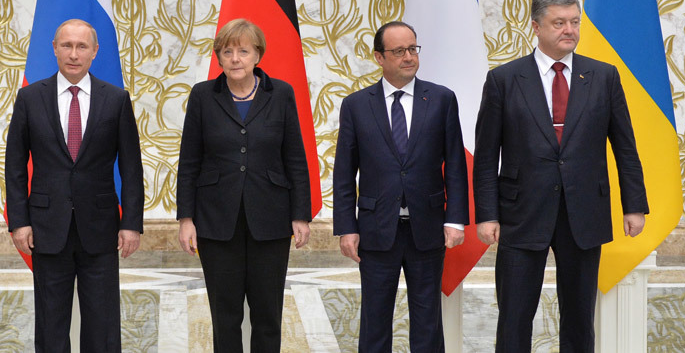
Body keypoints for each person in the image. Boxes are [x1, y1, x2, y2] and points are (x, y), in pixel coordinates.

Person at [473, 0, 649, 353]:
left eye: (574, 22)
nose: (569, 30)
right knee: (514, 317)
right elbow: (487, 155)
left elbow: (625, 146)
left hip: (584, 213)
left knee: (580, 318)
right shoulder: (504, 80)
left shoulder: (604, 76)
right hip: (521, 214)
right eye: (559, 23)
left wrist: (634, 205)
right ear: (536, 27)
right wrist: (487, 214)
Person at [4, 18, 144, 352]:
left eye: (82, 46)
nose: (73, 53)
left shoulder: (116, 99)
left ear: (95, 52)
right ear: (54, 48)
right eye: (66, 45)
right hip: (46, 228)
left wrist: (131, 224)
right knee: (51, 324)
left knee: (102, 325)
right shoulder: (28, 98)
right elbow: (15, 166)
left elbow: (131, 166)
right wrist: (19, 221)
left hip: (100, 228)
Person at [176, 18, 311, 353]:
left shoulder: (280, 93)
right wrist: (186, 219)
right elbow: (189, 161)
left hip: (272, 218)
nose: (235, 58)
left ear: (257, 55)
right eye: (227, 51)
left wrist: (300, 215)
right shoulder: (203, 95)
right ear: (219, 57)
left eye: (243, 51)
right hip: (215, 220)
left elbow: (295, 156)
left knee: (268, 314)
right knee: (225, 314)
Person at [333, 21, 469, 352]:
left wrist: (455, 219)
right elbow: (344, 172)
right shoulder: (356, 105)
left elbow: (455, 164)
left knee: (427, 321)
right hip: (376, 229)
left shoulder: (441, 99)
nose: (408, 57)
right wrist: (346, 228)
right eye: (398, 51)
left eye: (412, 49)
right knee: (375, 320)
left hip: (428, 227)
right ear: (379, 57)